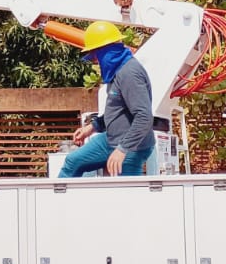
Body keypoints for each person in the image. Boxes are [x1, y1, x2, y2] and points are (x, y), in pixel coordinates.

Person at [57, 22, 155, 178]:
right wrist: (92, 127)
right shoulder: (117, 71)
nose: (95, 61)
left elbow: (144, 117)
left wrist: (123, 149)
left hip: (132, 146)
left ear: (106, 51)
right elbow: (117, 111)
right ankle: (60, 201)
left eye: (95, 56)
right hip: (111, 138)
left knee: (125, 191)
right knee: (72, 162)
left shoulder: (129, 73)